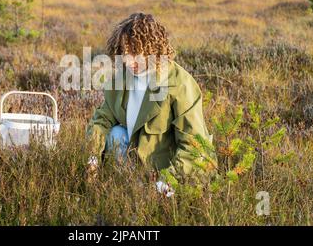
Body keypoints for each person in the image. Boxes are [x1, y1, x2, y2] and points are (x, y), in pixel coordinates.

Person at [85, 13, 217, 195]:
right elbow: (102, 119)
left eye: (136, 52)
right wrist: (92, 155)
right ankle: (124, 189)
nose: (129, 61)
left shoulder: (179, 84)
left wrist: (167, 181)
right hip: (135, 164)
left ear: (154, 49)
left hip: (166, 170)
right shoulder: (121, 78)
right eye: (125, 52)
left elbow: (194, 144)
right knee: (116, 134)